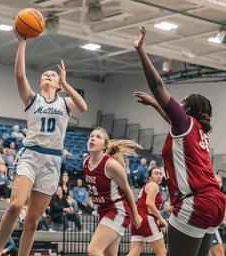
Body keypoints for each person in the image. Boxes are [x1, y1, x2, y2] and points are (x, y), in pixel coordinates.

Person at [0, 26, 88, 256]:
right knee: (15, 206)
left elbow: (83, 107)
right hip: (30, 155)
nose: (48, 75)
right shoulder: (32, 99)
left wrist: (65, 82)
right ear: (40, 82)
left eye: (52, 75)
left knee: (33, 222)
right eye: (45, 74)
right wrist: (22, 44)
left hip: (52, 162)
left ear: (57, 84)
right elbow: (19, 75)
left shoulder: (64, 103)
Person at [133, 25, 226, 256]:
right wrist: (154, 105)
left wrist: (140, 50)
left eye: (183, 102)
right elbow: (171, 119)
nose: (178, 104)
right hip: (215, 201)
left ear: (189, 109)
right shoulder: (197, 130)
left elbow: (157, 86)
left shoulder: (185, 123)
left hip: (197, 201)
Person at [83, 128, 142, 256]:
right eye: (91, 136)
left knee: (93, 250)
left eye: (98, 137)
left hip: (118, 211)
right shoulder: (86, 163)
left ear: (104, 146)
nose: (92, 138)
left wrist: (135, 215)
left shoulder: (111, 165)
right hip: (104, 210)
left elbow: (128, 191)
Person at [128, 168, 167, 256]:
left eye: (160, 174)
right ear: (149, 177)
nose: (159, 176)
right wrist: (161, 218)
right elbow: (149, 203)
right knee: (162, 252)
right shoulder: (153, 185)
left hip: (137, 220)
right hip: (146, 219)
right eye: (156, 174)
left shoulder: (147, 185)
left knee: (134, 253)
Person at [209, 175, 225, 256]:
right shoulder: (210, 195)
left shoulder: (219, 195)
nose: (217, 183)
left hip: (213, 228)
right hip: (210, 228)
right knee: (220, 253)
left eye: (218, 182)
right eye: (215, 181)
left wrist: (224, 221)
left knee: (211, 253)